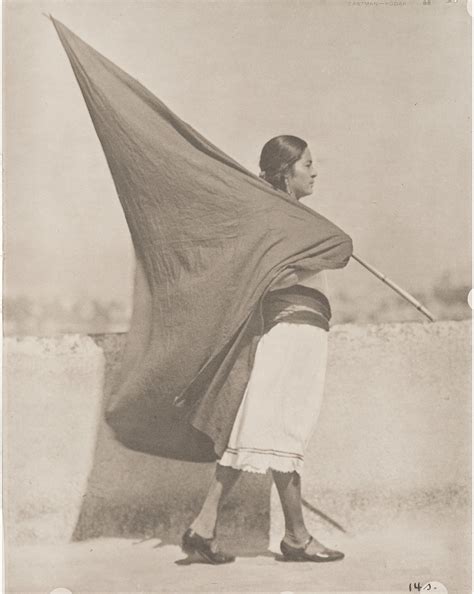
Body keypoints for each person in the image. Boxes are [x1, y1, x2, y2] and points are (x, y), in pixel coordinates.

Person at [181, 135, 345, 565]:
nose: (315, 171)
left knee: (259, 432)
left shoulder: (290, 219)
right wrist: (314, 251)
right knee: (277, 431)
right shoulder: (276, 221)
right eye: (307, 165)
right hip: (289, 333)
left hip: (299, 331)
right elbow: (264, 275)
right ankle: (294, 537)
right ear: (286, 172)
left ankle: (207, 528)